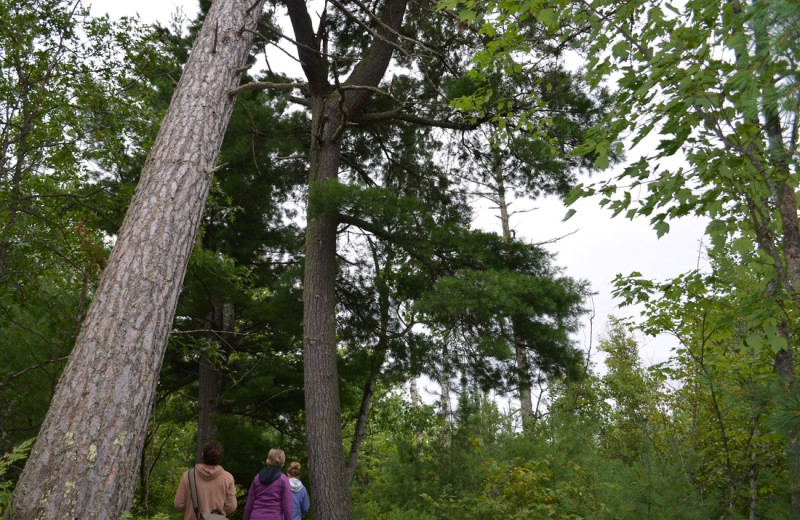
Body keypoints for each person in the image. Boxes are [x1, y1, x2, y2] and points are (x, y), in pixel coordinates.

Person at [174, 440, 237, 520]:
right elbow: (231, 506)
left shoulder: (188, 475)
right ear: (220, 457)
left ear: (202, 455)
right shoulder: (227, 477)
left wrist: (191, 510)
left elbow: (178, 504)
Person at [243, 448, 293, 520]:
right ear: (282, 462)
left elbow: (249, 503)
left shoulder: (257, 478)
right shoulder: (283, 480)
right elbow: (287, 506)